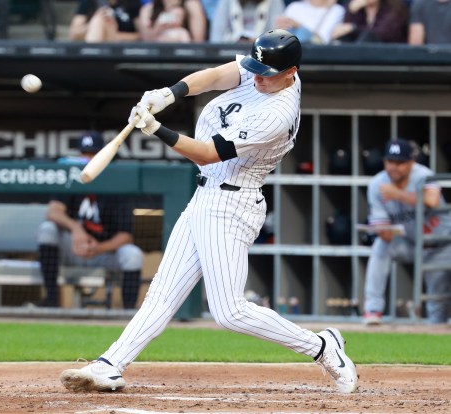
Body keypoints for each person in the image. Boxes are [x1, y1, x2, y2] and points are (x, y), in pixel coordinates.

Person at [59, 29, 358, 394]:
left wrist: (156, 129)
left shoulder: (276, 114)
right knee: (163, 293)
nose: (256, 77)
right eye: (255, 69)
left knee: (229, 312)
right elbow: (216, 76)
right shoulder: (266, 70)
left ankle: (322, 347)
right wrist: (169, 94)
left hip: (233, 203)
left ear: (291, 72)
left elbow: (207, 153)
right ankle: (111, 364)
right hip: (207, 196)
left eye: (266, 74)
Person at [37, 131, 144, 308]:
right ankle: (52, 300)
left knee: (132, 254)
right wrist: (75, 229)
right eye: (84, 154)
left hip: (103, 252)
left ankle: (129, 314)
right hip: (72, 249)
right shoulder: (71, 180)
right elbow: (53, 212)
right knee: (47, 229)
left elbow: (126, 235)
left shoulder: (117, 184)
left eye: (93, 154)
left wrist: (100, 248)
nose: (87, 159)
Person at [363, 138, 451, 325]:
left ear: (412, 162)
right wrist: (382, 230)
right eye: (390, 162)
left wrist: (398, 195)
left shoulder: (424, 174)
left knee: (437, 302)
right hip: (409, 243)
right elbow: (385, 233)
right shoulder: (377, 184)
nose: (394, 167)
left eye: (400, 162)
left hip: (439, 244)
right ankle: (373, 310)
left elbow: (432, 201)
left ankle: (435, 334)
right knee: (381, 246)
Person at [331, 0, 408, 43]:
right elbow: (346, 31)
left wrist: (354, 28)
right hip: (359, 55)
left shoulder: (394, 9)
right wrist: (351, 12)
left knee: (368, 37)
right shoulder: (357, 8)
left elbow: (382, 34)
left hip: (388, 57)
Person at [209, 0, 285, 43]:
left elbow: (276, 38)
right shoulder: (226, 2)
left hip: (264, 57)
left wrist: (256, 41)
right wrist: (237, 41)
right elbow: (216, 39)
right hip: (229, 58)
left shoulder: (275, 2)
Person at [274, 0, 345, 45]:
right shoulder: (294, 7)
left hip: (313, 59)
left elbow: (322, 41)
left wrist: (298, 26)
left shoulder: (336, 10)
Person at [68, 0, 141, 42]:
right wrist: (93, 24)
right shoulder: (89, 2)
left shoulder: (131, 2)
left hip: (123, 47)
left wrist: (114, 35)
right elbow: (74, 33)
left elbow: (141, 35)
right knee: (99, 20)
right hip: (94, 40)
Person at [138, 0, 207, 43]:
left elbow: (198, 41)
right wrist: (158, 28)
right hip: (156, 57)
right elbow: (145, 41)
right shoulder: (148, 9)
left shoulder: (192, 4)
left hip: (185, 58)